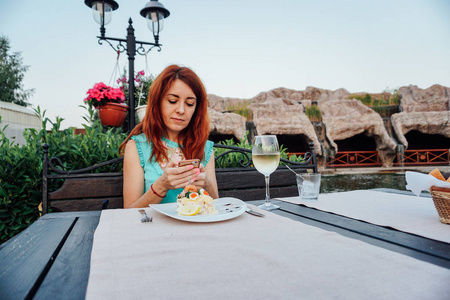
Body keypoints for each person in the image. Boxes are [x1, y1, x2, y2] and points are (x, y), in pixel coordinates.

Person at [119, 65, 219, 208]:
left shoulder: (204, 147)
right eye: (172, 101)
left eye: (190, 104)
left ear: (196, 109)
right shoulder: (137, 146)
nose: (181, 110)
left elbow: (217, 206)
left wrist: (206, 184)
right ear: (157, 102)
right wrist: (161, 186)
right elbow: (129, 212)